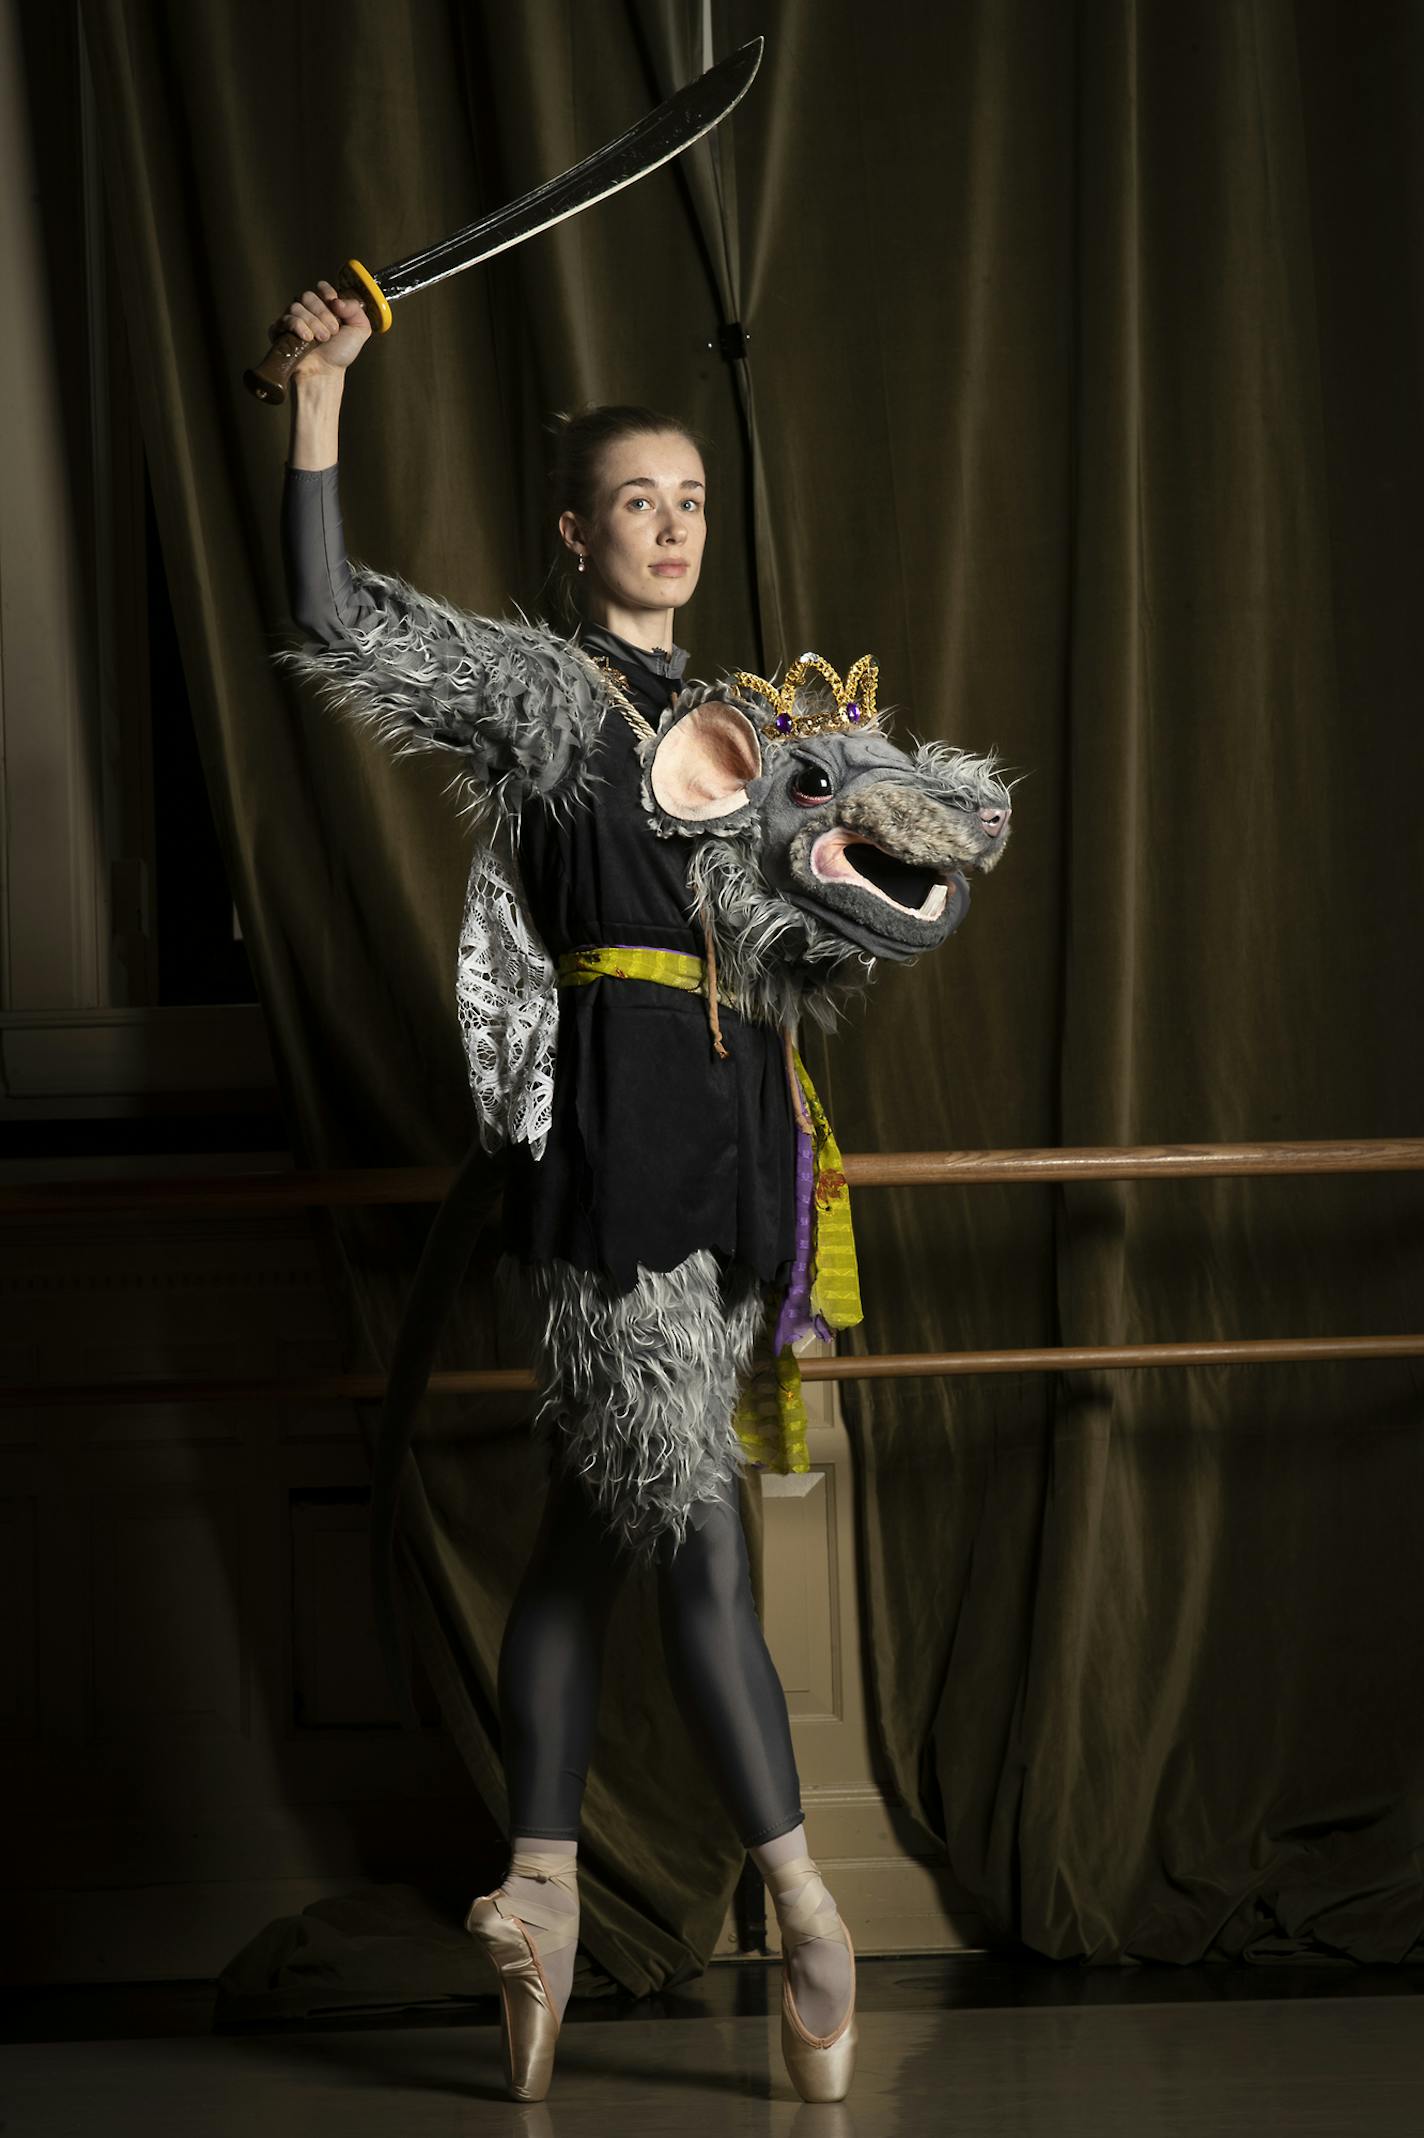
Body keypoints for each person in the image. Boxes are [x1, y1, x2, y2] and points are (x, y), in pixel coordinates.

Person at [272, 280, 857, 2104]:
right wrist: (318, 398)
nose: (672, 526)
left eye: (690, 498)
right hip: (611, 1163)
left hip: (742, 1152)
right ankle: (807, 1904)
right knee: (690, 1540)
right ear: (574, 531)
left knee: (594, 1543)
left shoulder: (753, 713)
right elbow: (322, 611)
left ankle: (538, 1889)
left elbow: (821, 927)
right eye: (637, 501)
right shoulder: (542, 691)